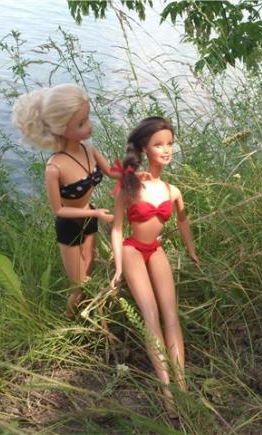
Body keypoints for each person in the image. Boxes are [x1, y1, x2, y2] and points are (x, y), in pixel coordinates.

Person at [110, 116, 198, 413]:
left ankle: (182, 386)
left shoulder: (172, 190)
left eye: (170, 143)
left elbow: (183, 221)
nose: (167, 149)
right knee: (151, 315)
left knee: (171, 316)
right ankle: (167, 393)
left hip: (155, 249)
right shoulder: (131, 186)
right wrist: (118, 266)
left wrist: (191, 250)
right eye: (158, 144)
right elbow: (117, 229)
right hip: (133, 250)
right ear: (145, 149)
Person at [12, 83, 118, 319]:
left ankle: (90, 317)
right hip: (70, 226)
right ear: (61, 128)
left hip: (90, 219)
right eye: (81, 123)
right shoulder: (55, 167)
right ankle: (68, 321)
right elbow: (58, 210)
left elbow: (112, 172)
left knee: (89, 276)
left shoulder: (90, 151)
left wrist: (134, 173)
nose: (89, 127)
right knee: (78, 285)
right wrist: (95, 214)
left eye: (87, 118)